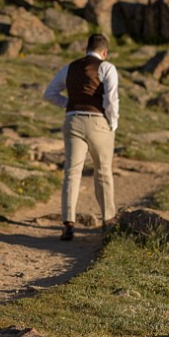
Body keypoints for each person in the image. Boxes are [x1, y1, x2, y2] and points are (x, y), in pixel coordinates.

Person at [43, 33, 119, 241]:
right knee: (103, 171)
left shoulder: (70, 68)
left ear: (87, 49)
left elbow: (49, 93)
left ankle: (68, 223)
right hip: (98, 121)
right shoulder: (107, 68)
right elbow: (111, 99)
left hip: (72, 120)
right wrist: (112, 124)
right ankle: (108, 220)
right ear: (104, 52)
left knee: (72, 172)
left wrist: (68, 105)